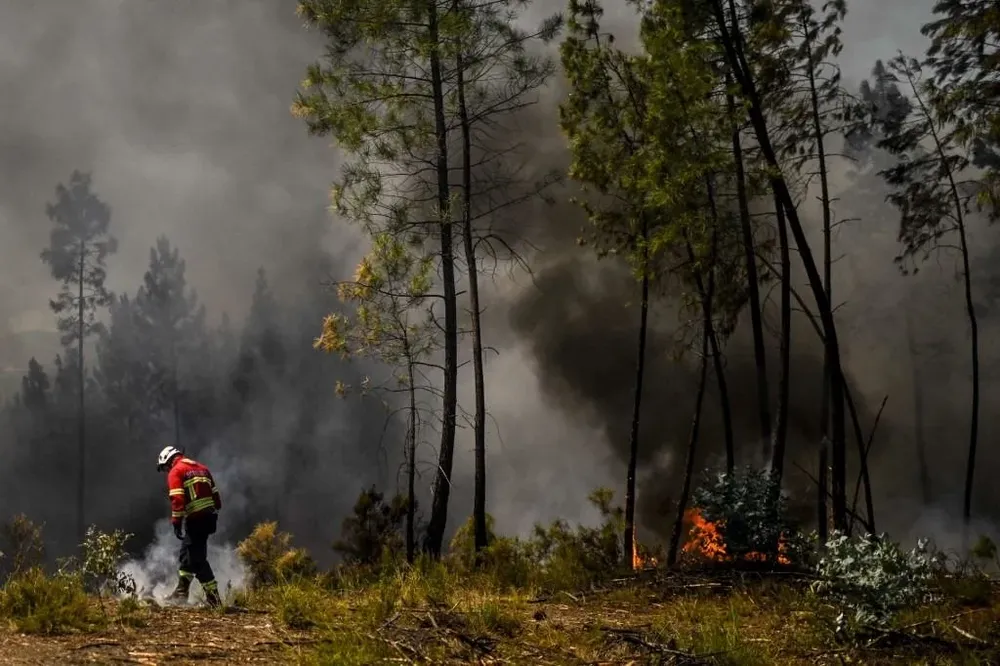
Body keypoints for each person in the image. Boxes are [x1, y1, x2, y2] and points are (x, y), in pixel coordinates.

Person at [156, 445, 223, 607]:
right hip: (209, 519)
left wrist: (176, 522)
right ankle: (181, 593)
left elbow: (177, 500)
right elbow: (217, 500)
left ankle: (214, 599)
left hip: (196, 520)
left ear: (168, 461)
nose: (166, 471)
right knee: (187, 555)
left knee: (197, 559)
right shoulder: (202, 469)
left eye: (165, 468)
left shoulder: (176, 471)